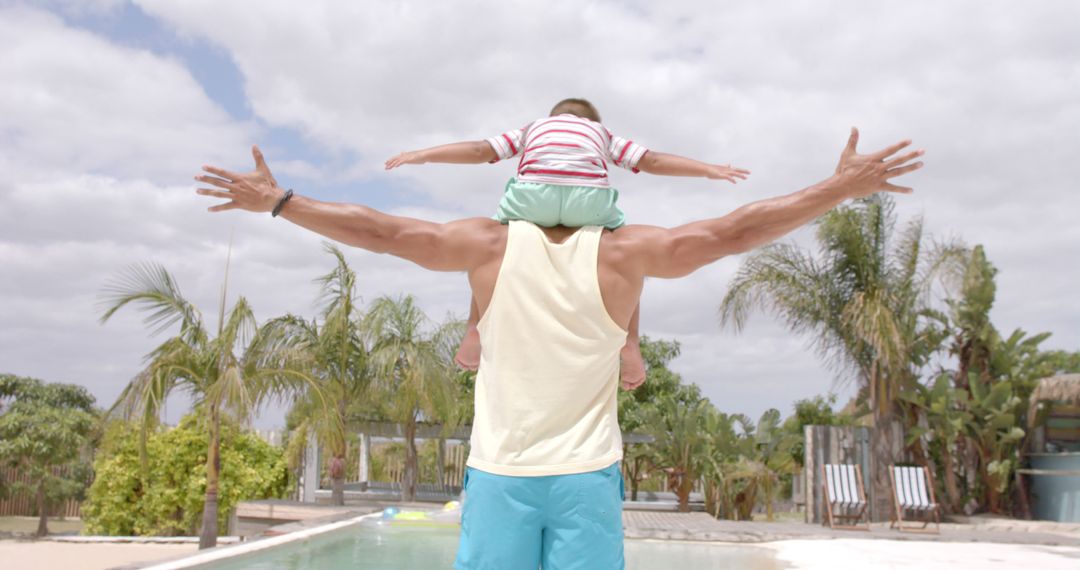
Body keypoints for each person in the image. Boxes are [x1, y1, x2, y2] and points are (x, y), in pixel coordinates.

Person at [194, 128, 923, 569]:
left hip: (502, 476)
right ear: (598, 182)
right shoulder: (626, 255)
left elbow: (384, 231)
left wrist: (283, 203)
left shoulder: (483, 244)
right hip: (586, 479)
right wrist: (835, 190)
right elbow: (732, 230)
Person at [384, 98, 750, 389]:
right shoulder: (602, 133)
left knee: (491, 249)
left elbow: (482, 151)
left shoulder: (533, 129)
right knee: (628, 255)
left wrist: (421, 154)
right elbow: (651, 160)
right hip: (587, 202)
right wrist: (708, 169)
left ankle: (472, 333)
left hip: (532, 199)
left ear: (553, 117)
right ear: (591, 122)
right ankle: (630, 345)